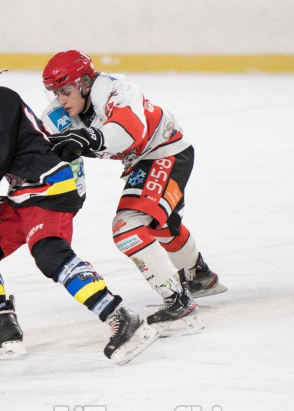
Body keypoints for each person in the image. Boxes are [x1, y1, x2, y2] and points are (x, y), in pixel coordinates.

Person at [0, 46, 160, 365]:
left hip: (50, 187)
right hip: (24, 193)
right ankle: (3, 325)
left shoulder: (0, 101)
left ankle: (121, 317)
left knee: (49, 253)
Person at [40, 50, 225, 337]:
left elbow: (130, 132)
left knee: (127, 228)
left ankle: (180, 303)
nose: (61, 99)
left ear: (86, 82)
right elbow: (44, 154)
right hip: (143, 161)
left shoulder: (118, 90)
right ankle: (199, 276)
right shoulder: (57, 115)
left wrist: (91, 137)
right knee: (162, 226)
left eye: (66, 90)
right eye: (55, 92)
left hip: (166, 151)